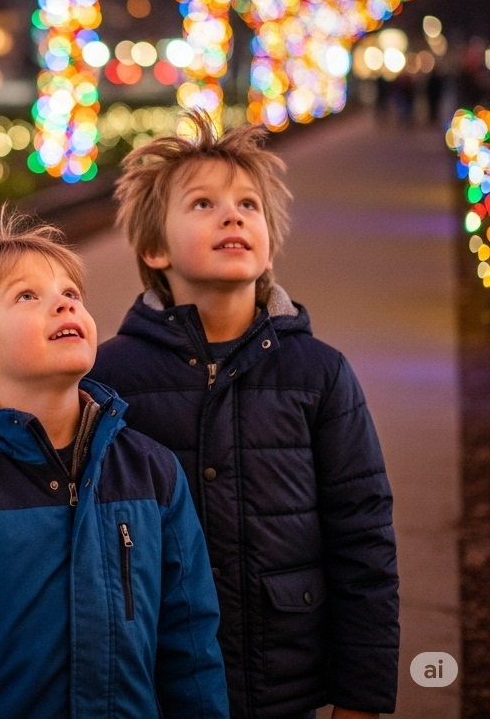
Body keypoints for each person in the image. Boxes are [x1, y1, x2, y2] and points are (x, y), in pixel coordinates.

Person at [89, 113, 399, 719]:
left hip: (284, 680)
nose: (232, 215)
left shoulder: (318, 373)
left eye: (248, 205)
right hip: (155, 679)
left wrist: (362, 696)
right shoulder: (109, 379)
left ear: (268, 243)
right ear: (155, 248)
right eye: (202, 204)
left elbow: (362, 533)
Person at [0, 218, 229, 719]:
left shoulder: (153, 471)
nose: (65, 304)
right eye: (26, 297)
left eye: (70, 293)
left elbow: (190, 646)